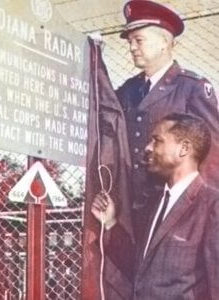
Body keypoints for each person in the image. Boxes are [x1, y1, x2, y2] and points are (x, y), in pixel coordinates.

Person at [91, 112, 219, 300]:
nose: (148, 147)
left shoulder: (212, 206)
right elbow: (142, 268)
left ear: (183, 149)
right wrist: (110, 223)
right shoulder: (156, 203)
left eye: (157, 140)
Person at [115, 0, 219, 220]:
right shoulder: (128, 90)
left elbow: (211, 156)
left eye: (139, 40)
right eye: (130, 41)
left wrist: (205, 213)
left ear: (163, 42)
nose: (132, 47)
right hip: (129, 209)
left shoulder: (192, 88)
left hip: (175, 209)